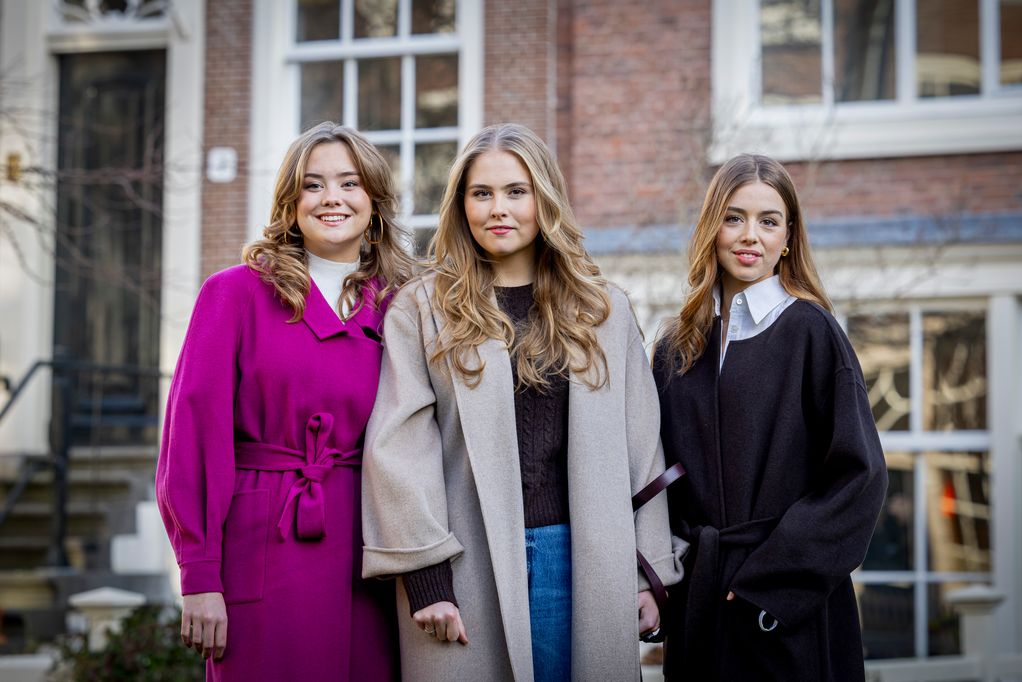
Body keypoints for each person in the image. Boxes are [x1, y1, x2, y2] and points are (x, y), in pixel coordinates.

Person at [360, 123, 684, 681]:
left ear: (544, 199)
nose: (497, 209)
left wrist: (648, 573)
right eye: (480, 193)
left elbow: (642, 451)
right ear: (461, 206)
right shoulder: (422, 310)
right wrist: (427, 580)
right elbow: (399, 450)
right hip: (467, 563)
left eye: (516, 191)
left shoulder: (603, 311)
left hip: (582, 562)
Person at [156, 122, 413, 680]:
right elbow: (194, 437)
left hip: (372, 552)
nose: (331, 199)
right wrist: (199, 573)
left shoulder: (405, 305)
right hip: (264, 545)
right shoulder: (235, 294)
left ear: (374, 200)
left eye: (349, 184)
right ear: (290, 202)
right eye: (313, 185)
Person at [653, 153, 887, 681]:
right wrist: (658, 578)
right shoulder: (675, 347)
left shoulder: (812, 332)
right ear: (711, 229)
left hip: (786, 610)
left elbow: (859, 477)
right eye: (733, 217)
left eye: (768, 221)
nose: (749, 235)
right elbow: (654, 474)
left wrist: (772, 582)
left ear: (788, 237)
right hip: (700, 599)